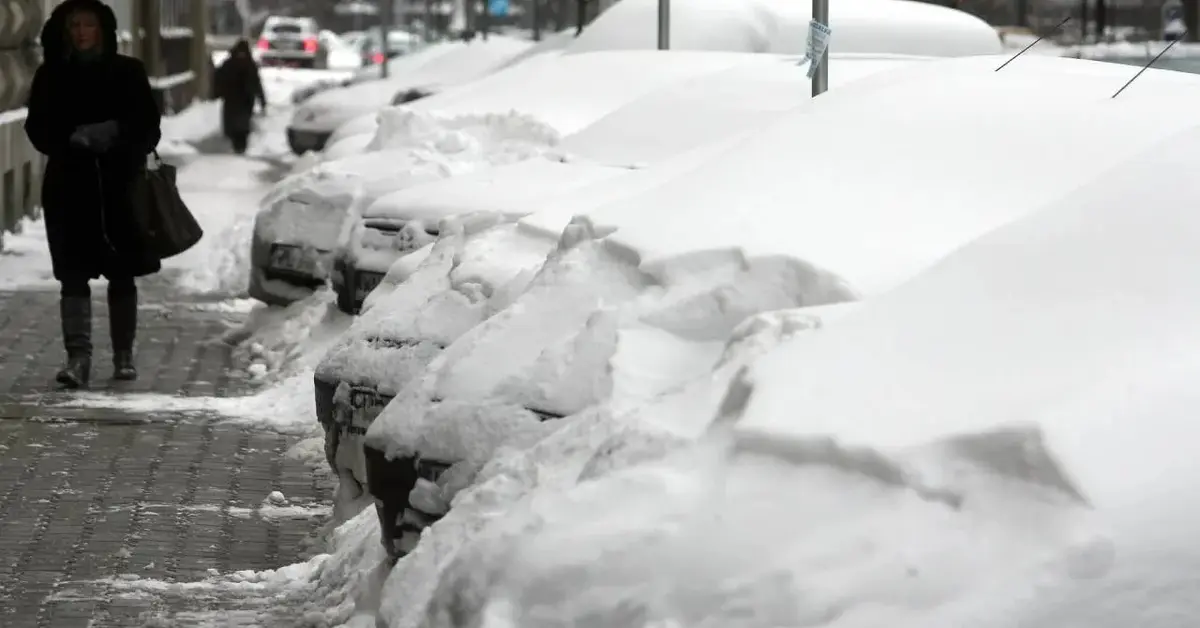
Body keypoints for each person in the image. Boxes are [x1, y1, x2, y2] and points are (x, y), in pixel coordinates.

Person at [23, 0, 163, 389]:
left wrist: (114, 133)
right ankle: (78, 358)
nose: (81, 32)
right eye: (74, 25)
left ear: (103, 29)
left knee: (122, 273)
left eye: (88, 24)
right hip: (69, 187)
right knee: (72, 274)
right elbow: (36, 128)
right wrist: (71, 138)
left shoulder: (128, 72)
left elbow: (148, 127)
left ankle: (123, 355)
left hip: (119, 188)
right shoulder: (51, 75)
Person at [214, 40, 266, 155]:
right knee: (238, 126)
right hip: (238, 101)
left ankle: (239, 147)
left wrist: (262, 100)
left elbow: (257, 84)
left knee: (239, 126)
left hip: (240, 101)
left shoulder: (230, 64)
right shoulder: (246, 64)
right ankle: (238, 147)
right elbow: (218, 80)